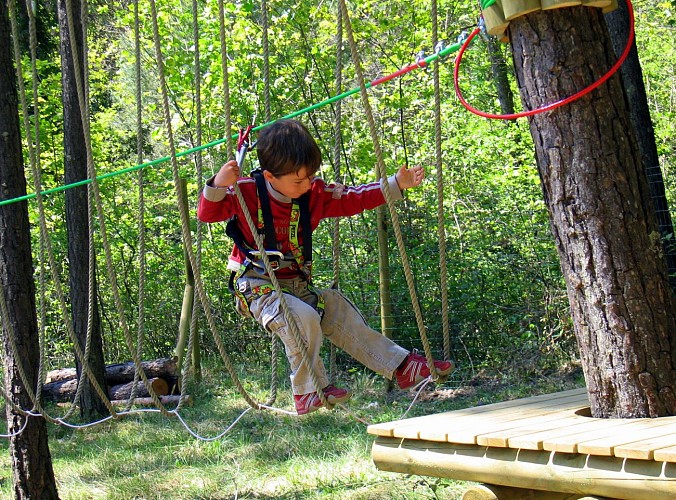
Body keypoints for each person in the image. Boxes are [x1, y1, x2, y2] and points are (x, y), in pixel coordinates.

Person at [197, 119, 453, 415]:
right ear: (270, 175)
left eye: (310, 177)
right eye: (298, 180)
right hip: (257, 287)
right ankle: (308, 390)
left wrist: (395, 184)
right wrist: (217, 184)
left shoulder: (313, 195)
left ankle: (401, 366)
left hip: (296, 285)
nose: (307, 184)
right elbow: (208, 213)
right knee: (302, 317)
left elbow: (352, 199)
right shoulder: (245, 193)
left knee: (335, 306)